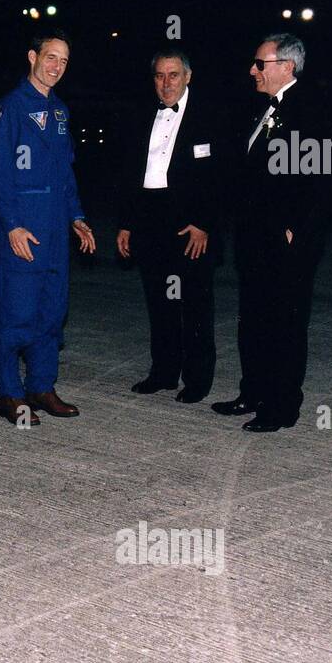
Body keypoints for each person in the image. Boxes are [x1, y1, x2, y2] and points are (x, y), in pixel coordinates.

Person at [212, 33, 332, 431]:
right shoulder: (263, 108)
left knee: (284, 322)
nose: (252, 70)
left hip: (285, 242)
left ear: (286, 66)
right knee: (254, 318)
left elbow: (321, 179)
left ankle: (282, 406)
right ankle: (254, 392)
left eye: (260, 64)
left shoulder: (310, 110)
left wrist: (295, 230)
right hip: (254, 237)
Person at [0, 29, 96, 425]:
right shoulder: (8, 109)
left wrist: (77, 217)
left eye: (64, 61)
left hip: (54, 232)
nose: (57, 67)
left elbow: (65, 173)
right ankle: (10, 393)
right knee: (16, 312)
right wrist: (12, 224)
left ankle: (42, 386)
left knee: (51, 311)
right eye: (51, 57)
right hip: (24, 230)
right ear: (32, 56)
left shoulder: (61, 112)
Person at [115, 47, 219, 403]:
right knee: (159, 301)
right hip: (149, 217)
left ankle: (198, 379)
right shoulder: (142, 113)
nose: (166, 83)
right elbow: (129, 171)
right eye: (159, 75)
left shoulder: (210, 116)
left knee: (195, 303)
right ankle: (163, 372)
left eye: (173, 75)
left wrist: (204, 223)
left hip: (190, 224)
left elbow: (221, 177)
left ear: (188, 76)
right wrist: (126, 223)